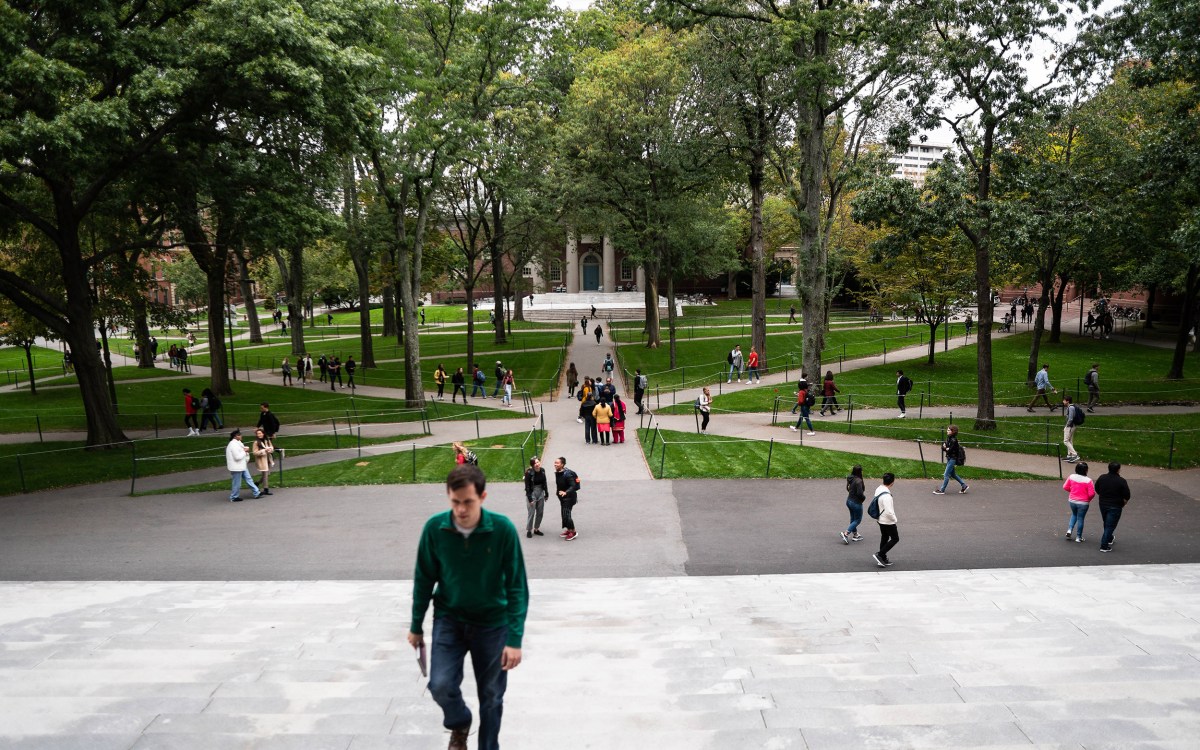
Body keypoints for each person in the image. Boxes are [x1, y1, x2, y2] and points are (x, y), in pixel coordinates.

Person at [408, 465, 528, 750]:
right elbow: (424, 579)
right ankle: (459, 721)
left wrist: (515, 639)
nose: (461, 509)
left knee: (491, 695)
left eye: (468, 502)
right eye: (455, 502)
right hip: (450, 618)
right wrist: (415, 626)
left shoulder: (502, 530)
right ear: (449, 497)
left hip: (493, 623)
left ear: (482, 497)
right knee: (440, 685)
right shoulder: (435, 528)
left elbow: (517, 587)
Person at [1094, 462, 1131, 553]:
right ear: (1118, 469)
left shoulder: (1102, 478)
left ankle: (1109, 538)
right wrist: (1124, 502)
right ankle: (1104, 545)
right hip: (1115, 505)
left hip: (1103, 504)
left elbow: (1097, 488)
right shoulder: (1121, 481)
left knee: (1106, 522)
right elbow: (1127, 495)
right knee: (1110, 525)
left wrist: (1102, 495)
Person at [1063, 461, 1096, 543]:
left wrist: (1072, 491)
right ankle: (1078, 537)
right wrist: (1088, 499)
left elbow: (1065, 487)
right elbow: (1092, 494)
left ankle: (1069, 530)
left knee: (1074, 514)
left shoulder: (1071, 477)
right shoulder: (1088, 480)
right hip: (1083, 503)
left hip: (1072, 500)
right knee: (1080, 518)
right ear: (1086, 470)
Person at [225, 429, 261, 502]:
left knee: (249, 479)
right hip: (236, 467)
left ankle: (256, 492)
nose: (241, 436)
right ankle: (234, 497)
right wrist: (245, 452)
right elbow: (237, 457)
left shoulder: (238, 443)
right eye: (240, 435)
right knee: (237, 483)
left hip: (242, 465)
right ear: (236, 436)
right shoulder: (233, 445)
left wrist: (245, 453)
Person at [872, 472, 898, 568]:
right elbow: (889, 512)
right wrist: (895, 519)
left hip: (880, 518)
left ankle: (883, 557)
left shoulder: (879, 489)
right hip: (887, 521)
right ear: (892, 482)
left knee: (885, 537)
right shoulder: (887, 496)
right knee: (895, 538)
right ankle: (880, 554)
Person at [932, 425, 969, 495]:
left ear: (953, 432)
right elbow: (943, 448)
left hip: (952, 459)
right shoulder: (949, 438)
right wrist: (946, 448)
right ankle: (964, 485)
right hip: (949, 458)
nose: (947, 431)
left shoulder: (954, 440)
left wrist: (946, 448)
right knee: (953, 474)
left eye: (949, 430)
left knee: (946, 475)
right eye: (947, 430)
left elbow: (950, 450)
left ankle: (942, 490)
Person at [553, 457, 580, 541]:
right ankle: (569, 530)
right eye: (555, 462)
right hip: (563, 498)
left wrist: (566, 492)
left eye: (557, 463)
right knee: (564, 514)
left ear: (562, 464)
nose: (555, 464)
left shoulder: (567, 474)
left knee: (566, 515)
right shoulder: (559, 472)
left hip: (569, 498)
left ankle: (573, 532)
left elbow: (573, 486)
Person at [841, 464, 866, 544]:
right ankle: (846, 534)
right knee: (858, 520)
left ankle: (855, 535)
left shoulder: (850, 478)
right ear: (860, 472)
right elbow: (860, 493)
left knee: (853, 519)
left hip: (849, 501)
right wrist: (863, 498)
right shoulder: (859, 481)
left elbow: (848, 488)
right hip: (856, 503)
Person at [523, 457, 548, 539]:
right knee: (531, 512)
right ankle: (529, 530)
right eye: (535, 463)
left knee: (540, 512)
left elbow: (545, 482)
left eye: (538, 462)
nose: (537, 464)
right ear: (532, 465)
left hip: (540, 492)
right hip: (532, 492)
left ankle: (536, 529)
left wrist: (546, 493)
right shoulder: (529, 473)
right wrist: (530, 498)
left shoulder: (543, 470)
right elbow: (527, 487)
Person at [252, 428, 275, 496]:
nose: (259, 435)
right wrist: (264, 451)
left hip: (268, 459)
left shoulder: (267, 440)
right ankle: (266, 489)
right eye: (258, 433)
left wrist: (270, 449)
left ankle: (257, 483)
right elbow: (255, 452)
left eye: (260, 433)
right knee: (265, 474)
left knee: (267, 474)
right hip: (262, 460)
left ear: (263, 433)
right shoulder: (256, 442)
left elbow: (272, 447)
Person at [1062, 395, 1081, 463]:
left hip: (1070, 426)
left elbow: (1070, 419)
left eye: (1064, 400)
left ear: (1067, 401)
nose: (1063, 401)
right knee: (1069, 440)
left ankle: (1075, 454)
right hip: (1072, 426)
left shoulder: (1071, 408)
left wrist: (1066, 426)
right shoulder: (1072, 407)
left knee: (1065, 441)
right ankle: (1069, 455)